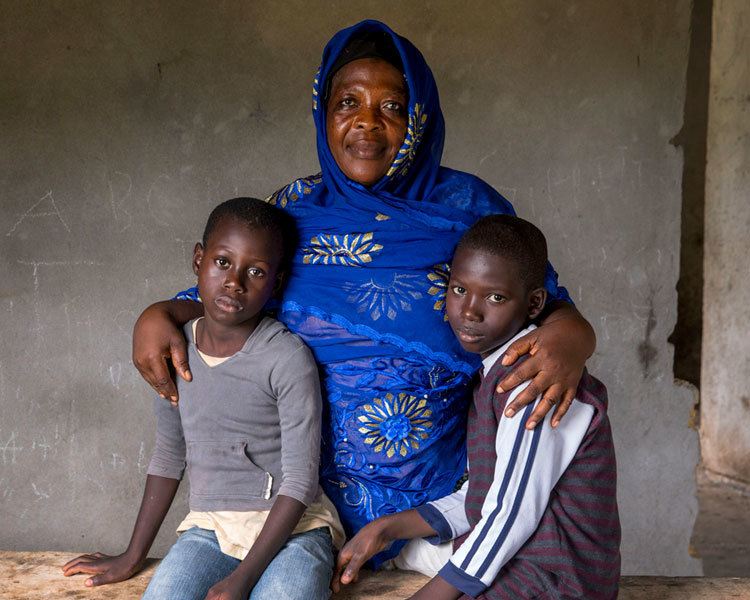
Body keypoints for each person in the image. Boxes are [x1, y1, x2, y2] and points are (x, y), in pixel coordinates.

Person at [132, 20, 597, 565]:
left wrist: (574, 338)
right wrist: (158, 312)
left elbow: (544, 301)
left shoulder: (467, 207)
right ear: (323, 114)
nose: (367, 125)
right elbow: (228, 297)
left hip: (437, 517)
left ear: (419, 118)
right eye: (347, 102)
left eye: (393, 107)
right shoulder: (295, 209)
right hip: (296, 512)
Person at [62, 198, 343, 599]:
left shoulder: (286, 358)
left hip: (294, 530)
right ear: (199, 260)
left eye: (256, 272)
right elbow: (169, 456)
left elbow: (299, 481)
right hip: (212, 527)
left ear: (276, 283)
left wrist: (244, 579)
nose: (235, 282)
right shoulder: (176, 352)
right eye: (223, 262)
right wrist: (132, 554)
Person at [333, 215, 620, 599]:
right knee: (397, 557)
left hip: (557, 577)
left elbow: (512, 514)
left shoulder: (534, 381)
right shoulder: (490, 374)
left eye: (495, 297)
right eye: (459, 289)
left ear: (534, 303)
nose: (470, 311)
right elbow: (483, 497)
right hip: (523, 552)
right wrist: (386, 529)